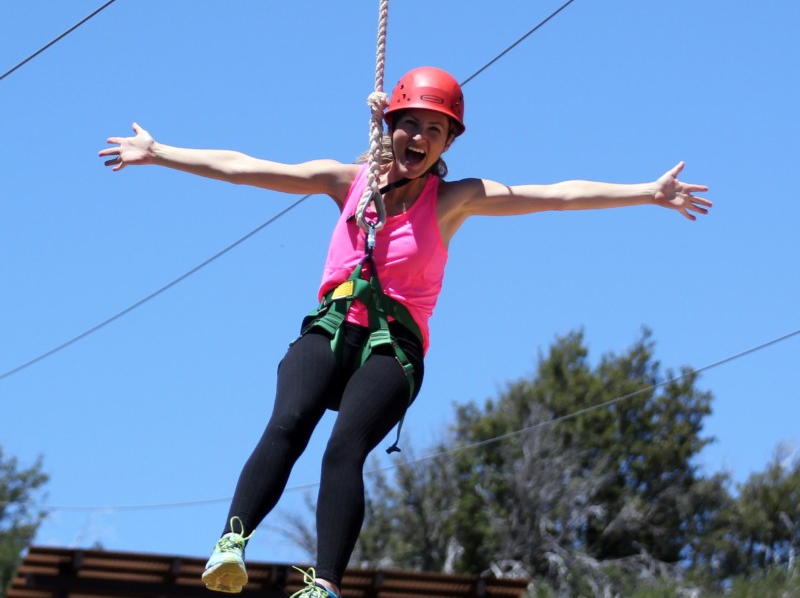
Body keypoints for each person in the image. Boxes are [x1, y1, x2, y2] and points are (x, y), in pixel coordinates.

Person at [99, 66, 711, 597]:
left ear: (447, 142)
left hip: (394, 347)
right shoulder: (348, 182)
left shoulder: (454, 200)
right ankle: (231, 542)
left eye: (434, 130)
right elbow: (245, 169)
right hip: (336, 325)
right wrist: (161, 153)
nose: (418, 138)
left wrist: (647, 193)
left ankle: (324, 584)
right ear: (389, 125)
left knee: (344, 448)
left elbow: (556, 196)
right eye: (410, 124)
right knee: (289, 421)